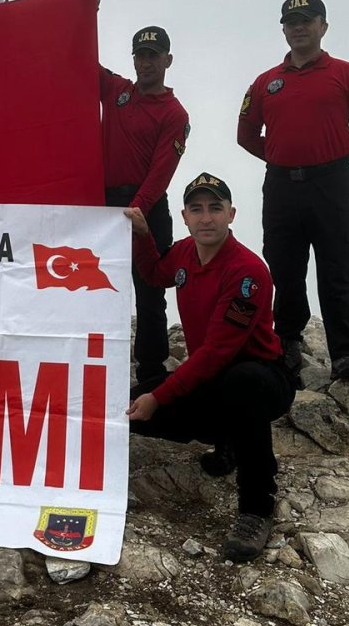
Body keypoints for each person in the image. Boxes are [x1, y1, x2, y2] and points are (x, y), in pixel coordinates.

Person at [124, 173, 294, 562]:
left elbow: (217, 352)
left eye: (215, 208)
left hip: (263, 379)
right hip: (214, 382)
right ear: (184, 217)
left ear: (231, 214)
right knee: (128, 409)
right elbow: (153, 274)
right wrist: (143, 234)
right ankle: (229, 440)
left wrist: (159, 395)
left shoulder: (247, 271)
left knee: (242, 381)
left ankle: (256, 509)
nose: (206, 218)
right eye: (197, 209)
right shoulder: (185, 253)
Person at [237, 0, 349, 381]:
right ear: (283, 29)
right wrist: (279, 156)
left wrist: (338, 155)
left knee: (337, 265)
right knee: (284, 266)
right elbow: (246, 133)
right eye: (291, 21)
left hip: (330, 184)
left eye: (306, 20)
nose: (298, 27)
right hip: (282, 186)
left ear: (323, 25)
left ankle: (345, 353)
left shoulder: (346, 73)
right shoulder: (266, 81)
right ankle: (286, 341)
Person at [100, 26, 190, 388]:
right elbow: (80, 64)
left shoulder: (174, 113)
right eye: (140, 55)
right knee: (96, 286)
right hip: (104, 207)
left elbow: (161, 171)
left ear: (168, 60)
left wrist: (136, 211)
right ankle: (98, 364)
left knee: (150, 293)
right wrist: (88, 11)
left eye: (154, 55)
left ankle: (151, 373)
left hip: (145, 210)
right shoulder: (118, 91)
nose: (146, 62)